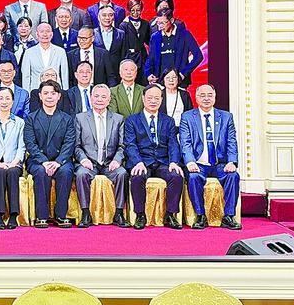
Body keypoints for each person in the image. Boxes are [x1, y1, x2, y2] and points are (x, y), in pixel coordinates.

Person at [180, 84, 241, 230]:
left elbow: (231, 141)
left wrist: (232, 161)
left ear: (215, 97)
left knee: (233, 176)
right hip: (198, 163)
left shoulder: (226, 117)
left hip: (220, 163)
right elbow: (185, 142)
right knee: (193, 177)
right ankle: (200, 216)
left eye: (210, 95)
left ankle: (228, 216)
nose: (206, 98)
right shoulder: (187, 117)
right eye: (202, 95)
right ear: (196, 98)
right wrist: (190, 162)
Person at [125, 84, 184, 230]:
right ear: (143, 99)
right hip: (142, 161)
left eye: (157, 98)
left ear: (161, 100)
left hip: (163, 162)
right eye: (150, 98)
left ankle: (170, 215)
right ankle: (140, 215)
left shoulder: (168, 121)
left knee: (176, 176)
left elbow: (173, 143)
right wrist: (137, 162)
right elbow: (130, 144)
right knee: (137, 177)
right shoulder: (132, 120)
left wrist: (174, 162)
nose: (153, 101)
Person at [73, 84, 129, 228]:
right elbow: (76, 145)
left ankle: (118, 213)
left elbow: (122, 145)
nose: (99, 99)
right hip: (89, 162)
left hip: (110, 162)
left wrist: (117, 160)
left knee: (122, 173)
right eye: (96, 96)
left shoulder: (118, 119)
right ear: (91, 98)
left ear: (109, 100)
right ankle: (86, 213)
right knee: (81, 174)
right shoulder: (80, 118)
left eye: (104, 97)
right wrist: (83, 159)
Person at [24, 80, 77, 227]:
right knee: (41, 172)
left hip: (61, 160)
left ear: (59, 96)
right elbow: (30, 143)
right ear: (40, 96)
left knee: (66, 172)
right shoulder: (31, 118)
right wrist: (44, 161)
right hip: (38, 160)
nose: (49, 96)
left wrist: (58, 161)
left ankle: (61, 215)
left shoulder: (67, 119)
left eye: (53, 93)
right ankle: (41, 216)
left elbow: (69, 143)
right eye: (46, 93)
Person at [0, 87, 27, 229]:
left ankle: (13, 216)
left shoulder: (20, 122)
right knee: (0, 172)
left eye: (8, 98)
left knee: (12, 173)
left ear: (13, 101)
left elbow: (22, 147)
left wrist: (14, 162)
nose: (4, 102)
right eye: (1, 98)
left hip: (14, 163)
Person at [146, 11, 204, 86]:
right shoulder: (155, 37)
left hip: (180, 81)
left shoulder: (184, 35)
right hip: (160, 81)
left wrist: (183, 73)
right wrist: (148, 74)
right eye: (158, 23)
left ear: (172, 20)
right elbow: (150, 58)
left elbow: (198, 56)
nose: (160, 26)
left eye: (163, 23)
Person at [20, 22, 69, 91]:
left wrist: (65, 92)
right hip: (36, 91)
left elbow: (64, 75)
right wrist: (27, 94)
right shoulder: (28, 53)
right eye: (42, 31)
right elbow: (26, 76)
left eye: (47, 31)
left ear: (52, 34)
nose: (45, 34)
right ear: (37, 34)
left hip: (55, 91)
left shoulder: (61, 51)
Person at [93, 7, 126, 84]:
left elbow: (124, 55)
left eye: (110, 15)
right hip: (97, 74)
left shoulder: (121, 34)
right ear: (98, 17)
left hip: (116, 74)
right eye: (104, 15)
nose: (107, 18)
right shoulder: (93, 34)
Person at [118, 0, 151, 73]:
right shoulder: (124, 25)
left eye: (138, 10)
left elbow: (148, 41)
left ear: (141, 10)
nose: (135, 13)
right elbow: (123, 46)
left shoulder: (145, 24)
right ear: (129, 10)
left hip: (143, 59)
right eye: (132, 10)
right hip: (130, 59)